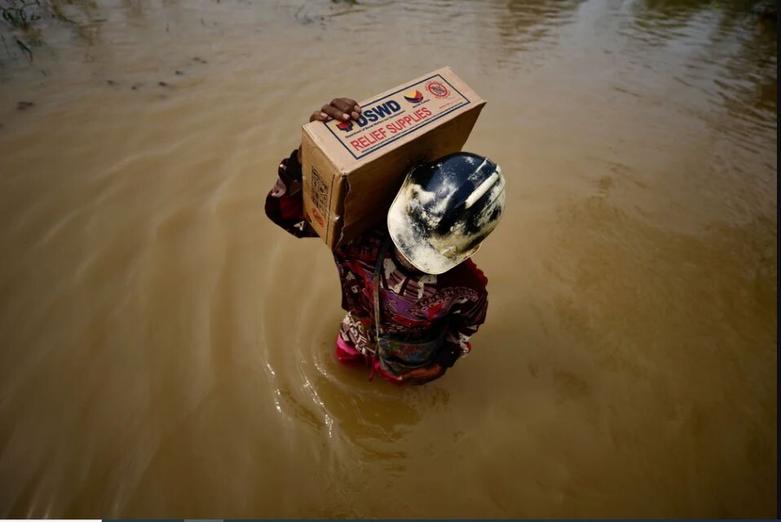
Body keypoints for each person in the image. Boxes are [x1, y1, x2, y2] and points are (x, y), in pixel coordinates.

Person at [265, 97, 505, 385]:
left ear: (464, 250)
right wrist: (312, 154)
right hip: (357, 331)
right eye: (406, 237)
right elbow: (282, 214)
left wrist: (443, 362)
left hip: (411, 357)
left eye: (424, 250)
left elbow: (469, 323)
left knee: (397, 385)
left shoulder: (466, 287)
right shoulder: (354, 233)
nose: (407, 256)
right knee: (343, 360)